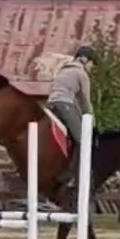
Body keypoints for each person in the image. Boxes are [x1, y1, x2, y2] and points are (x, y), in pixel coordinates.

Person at [46, 45, 95, 188]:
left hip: (51, 104)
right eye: (92, 63)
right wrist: (91, 118)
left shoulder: (63, 70)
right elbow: (85, 100)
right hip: (64, 104)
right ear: (85, 59)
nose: (91, 68)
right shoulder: (82, 74)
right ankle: (71, 175)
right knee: (83, 140)